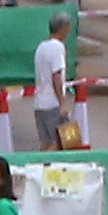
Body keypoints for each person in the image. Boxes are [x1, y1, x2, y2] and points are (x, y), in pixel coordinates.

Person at [28, 15, 76, 149]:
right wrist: (63, 103)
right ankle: (45, 167)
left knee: (45, 143)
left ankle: (38, 166)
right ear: (63, 28)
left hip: (40, 103)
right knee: (59, 142)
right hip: (52, 104)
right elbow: (56, 75)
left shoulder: (41, 47)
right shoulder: (57, 48)